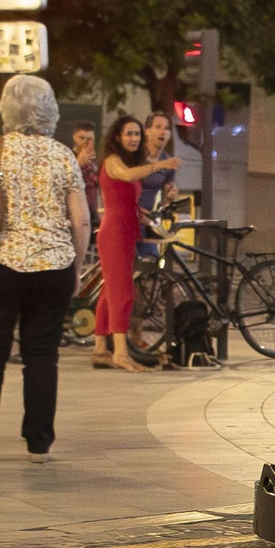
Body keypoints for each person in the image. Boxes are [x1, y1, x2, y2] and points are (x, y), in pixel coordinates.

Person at [0, 76, 92, 463]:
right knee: (42, 356)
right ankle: (38, 445)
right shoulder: (63, 155)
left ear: (5, 110)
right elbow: (81, 221)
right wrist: (76, 268)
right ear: (50, 110)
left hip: (0, 264)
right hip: (54, 267)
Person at [92, 115, 180, 372]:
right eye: (129, 134)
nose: (134, 139)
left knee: (111, 291)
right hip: (115, 232)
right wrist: (161, 164)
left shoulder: (129, 161)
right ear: (117, 137)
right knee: (123, 292)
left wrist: (143, 215)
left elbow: (128, 198)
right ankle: (120, 352)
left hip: (129, 229)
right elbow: (128, 175)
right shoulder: (113, 160)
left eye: (137, 135)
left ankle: (100, 349)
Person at [137, 110, 180, 258]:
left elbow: (167, 190)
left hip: (148, 221)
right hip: (129, 216)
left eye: (166, 128)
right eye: (158, 127)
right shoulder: (136, 155)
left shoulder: (167, 160)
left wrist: (171, 192)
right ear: (147, 131)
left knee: (152, 263)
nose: (162, 132)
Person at [72, 120, 99, 222]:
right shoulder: (68, 156)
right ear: (74, 136)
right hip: (76, 209)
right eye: (81, 138)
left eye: (89, 139)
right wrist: (78, 163)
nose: (85, 142)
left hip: (92, 211)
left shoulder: (96, 159)